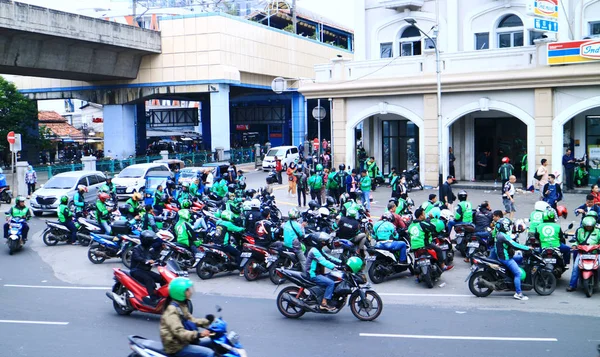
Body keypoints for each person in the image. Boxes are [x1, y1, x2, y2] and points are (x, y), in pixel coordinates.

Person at [159, 277, 214, 357]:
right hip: (176, 347)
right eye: (188, 290)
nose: (190, 292)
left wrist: (207, 321)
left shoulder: (181, 305)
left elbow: (191, 320)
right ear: (180, 292)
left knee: (213, 342)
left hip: (183, 341)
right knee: (209, 353)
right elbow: (179, 332)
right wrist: (199, 334)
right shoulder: (172, 310)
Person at [304, 232, 343, 311]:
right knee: (330, 283)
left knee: (332, 277)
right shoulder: (314, 251)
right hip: (312, 274)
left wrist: (341, 262)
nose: (324, 243)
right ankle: (324, 303)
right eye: (323, 242)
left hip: (317, 273)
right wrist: (335, 267)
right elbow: (323, 261)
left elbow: (328, 257)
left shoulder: (319, 250)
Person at [494, 218, 531, 301]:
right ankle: (518, 293)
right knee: (518, 273)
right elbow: (514, 245)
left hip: (501, 256)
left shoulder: (499, 234)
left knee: (519, 259)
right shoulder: (503, 236)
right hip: (505, 258)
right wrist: (527, 248)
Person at [129, 231, 165, 306]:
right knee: (149, 280)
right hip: (136, 270)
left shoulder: (149, 249)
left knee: (162, 278)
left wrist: (160, 250)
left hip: (145, 270)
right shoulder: (137, 248)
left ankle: (163, 295)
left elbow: (154, 257)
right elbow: (137, 258)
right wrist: (147, 261)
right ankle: (153, 299)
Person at [567, 216, 600, 292]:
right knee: (575, 268)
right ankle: (572, 285)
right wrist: (574, 245)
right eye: (587, 226)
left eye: (590, 226)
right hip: (582, 253)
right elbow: (575, 240)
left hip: (595, 253)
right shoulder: (579, 230)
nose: (588, 227)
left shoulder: (598, 231)